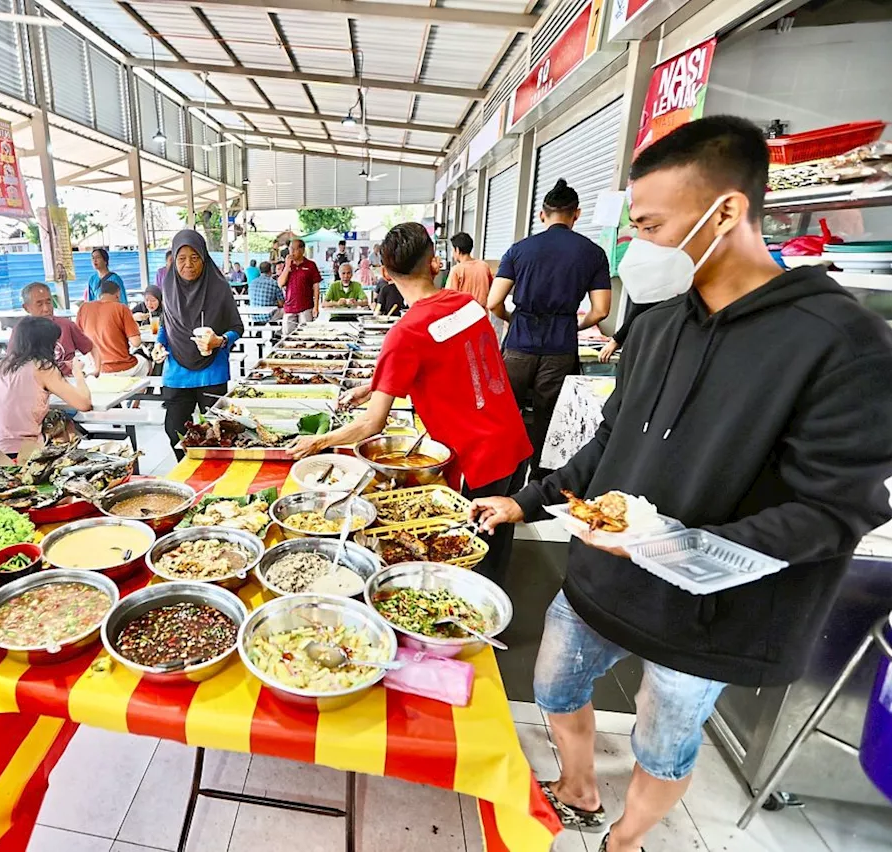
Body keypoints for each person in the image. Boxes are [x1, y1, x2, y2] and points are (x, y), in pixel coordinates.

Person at [469, 116, 893, 852]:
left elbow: (833, 511)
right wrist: (525, 500)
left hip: (713, 613)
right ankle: (576, 784)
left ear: (725, 211)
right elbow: (608, 441)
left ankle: (627, 838)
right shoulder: (659, 326)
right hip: (603, 580)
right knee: (557, 686)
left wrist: (679, 545)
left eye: (651, 225)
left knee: (665, 741)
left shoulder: (842, 344)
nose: (637, 248)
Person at [290, 223, 531, 586]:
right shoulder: (468, 305)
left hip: (475, 457)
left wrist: (318, 442)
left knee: (468, 552)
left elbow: (372, 425)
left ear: (385, 273)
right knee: (498, 540)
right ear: (434, 262)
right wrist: (372, 385)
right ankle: (494, 598)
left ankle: (476, 623)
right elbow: (447, 358)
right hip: (511, 438)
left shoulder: (406, 333)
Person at [487, 178, 612, 478]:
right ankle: (539, 486)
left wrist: (513, 319)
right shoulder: (593, 253)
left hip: (519, 344)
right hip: (560, 349)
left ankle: (502, 478)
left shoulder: (519, 250)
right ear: (576, 214)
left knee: (506, 416)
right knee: (550, 419)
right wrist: (574, 325)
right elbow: (601, 310)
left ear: (542, 215)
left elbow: (493, 302)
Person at [153, 229, 244, 458]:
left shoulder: (220, 287)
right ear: (173, 259)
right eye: (181, 258)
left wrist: (220, 341)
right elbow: (167, 323)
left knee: (216, 432)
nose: (188, 265)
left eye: (194, 258)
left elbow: (237, 328)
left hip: (212, 371)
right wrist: (158, 343)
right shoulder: (168, 286)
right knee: (174, 430)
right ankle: (188, 470)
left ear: (204, 258)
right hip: (177, 371)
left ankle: (213, 478)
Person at [0, 316, 92, 458]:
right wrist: (77, 372)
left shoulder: (3, 363)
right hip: (14, 453)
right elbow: (84, 404)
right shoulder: (43, 367)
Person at [21, 281, 100, 376]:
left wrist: (97, 370)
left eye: (48, 302)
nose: (46, 309)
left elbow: (91, 347)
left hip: (69, 381)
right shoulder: (21, 332)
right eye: (39, 304)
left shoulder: (66, 325)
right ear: (26, 308)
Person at [77, 279, 148, 377]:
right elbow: (136, 343)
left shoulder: (84, 308)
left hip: (93, 367)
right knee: (145, 363)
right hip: (121, 368)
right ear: (117, 294)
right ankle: (137, 391)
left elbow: (78, 340)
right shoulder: (121, 308)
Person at [277, 238, 321, 336]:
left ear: (302, 250)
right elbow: (280, 283)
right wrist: (287, 267)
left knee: (306, 335)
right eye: (290, 249)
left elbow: (316, 286)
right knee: (288, 336)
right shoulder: (287, 265)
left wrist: (316, 307)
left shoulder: (311, 265)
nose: (291, 252)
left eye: (294, 249)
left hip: (306, 307)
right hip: (289, 307)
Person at [446, 233, 494, 305]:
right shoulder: (484, 266)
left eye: (453, 250)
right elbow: (492, 289)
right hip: (482, 313)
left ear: (457, 250)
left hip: (463, 313)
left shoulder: (456, 270)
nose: (452, 254)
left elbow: (449, 297)